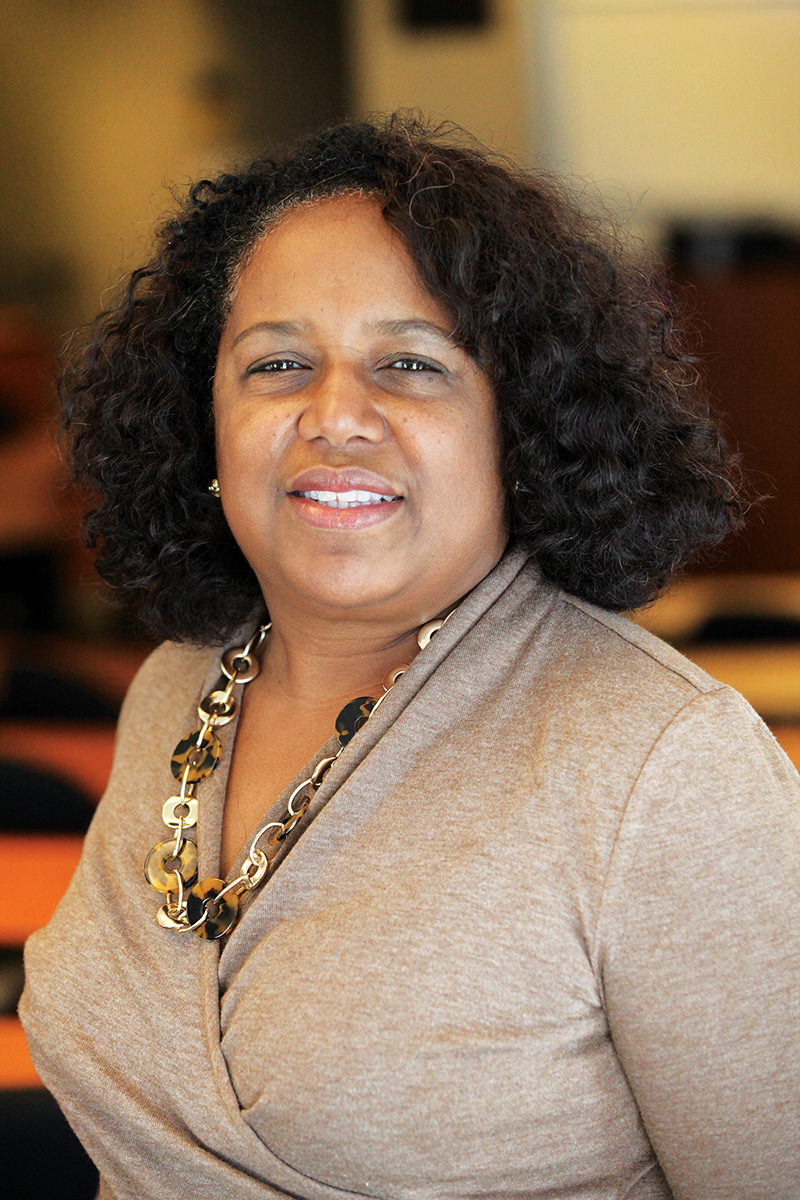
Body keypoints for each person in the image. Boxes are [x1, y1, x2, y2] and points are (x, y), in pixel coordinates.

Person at [21, 116, 800, 1199]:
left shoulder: (664, 768)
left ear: (521, 428)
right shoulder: (175, 686)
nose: (334, 416)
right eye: (278, 363)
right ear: (203, 421)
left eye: (411, 363)